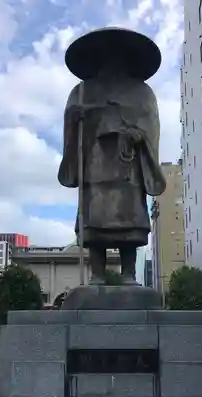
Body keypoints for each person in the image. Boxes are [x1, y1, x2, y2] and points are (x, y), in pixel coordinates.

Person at [58, 28, 166, 285]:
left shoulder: (142, 92)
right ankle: (97, 274)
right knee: (95, 217)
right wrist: (75, 118)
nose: (111, 60)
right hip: (94, 162)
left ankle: (128, 273)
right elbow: (70, 121)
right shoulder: (82, 91)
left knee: (129, 215)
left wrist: (139, 135)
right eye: (105, 55)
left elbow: (151, 124)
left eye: (118, 55)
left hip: (128, 163)